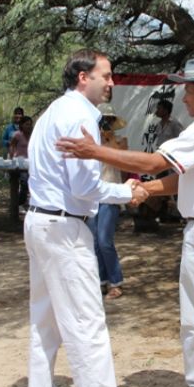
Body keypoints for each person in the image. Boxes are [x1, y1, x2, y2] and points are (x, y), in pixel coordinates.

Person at [57, 58, 194, 387]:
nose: (184, 97)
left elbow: (152, 162)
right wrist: (140, 191)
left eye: (189, 90)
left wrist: (96, 151)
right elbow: (182, 180)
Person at [22, 49, 145, 387]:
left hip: (41, 222)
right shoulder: (78, 116)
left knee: (45, 318)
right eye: (105, 76)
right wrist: (128, 192)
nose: (111, 83)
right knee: (86, 320)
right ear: (82, 77)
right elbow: (85, 188)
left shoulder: (53, 112)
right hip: (63, 227)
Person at [88, 104, 129, 300]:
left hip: (111, 194)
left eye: (109, 120)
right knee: (94, 242)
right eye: (102, 119)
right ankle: (102, 280)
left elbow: (122, 158)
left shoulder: (120, 141)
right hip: (93, 195)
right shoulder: (90, 144)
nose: (106, 123)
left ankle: (115, 281)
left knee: (105, 241)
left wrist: (108, 137)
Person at [9, 115, 33, 210]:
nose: (29, 126)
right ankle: (19, 203)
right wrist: (12, 158)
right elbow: (12, 146)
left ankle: (25, 203)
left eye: (30, 124)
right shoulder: (17, 135)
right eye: (27, 124)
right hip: (19, 163)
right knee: (24, 181)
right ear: (22, 125)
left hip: (30, 163)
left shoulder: (32, 135)